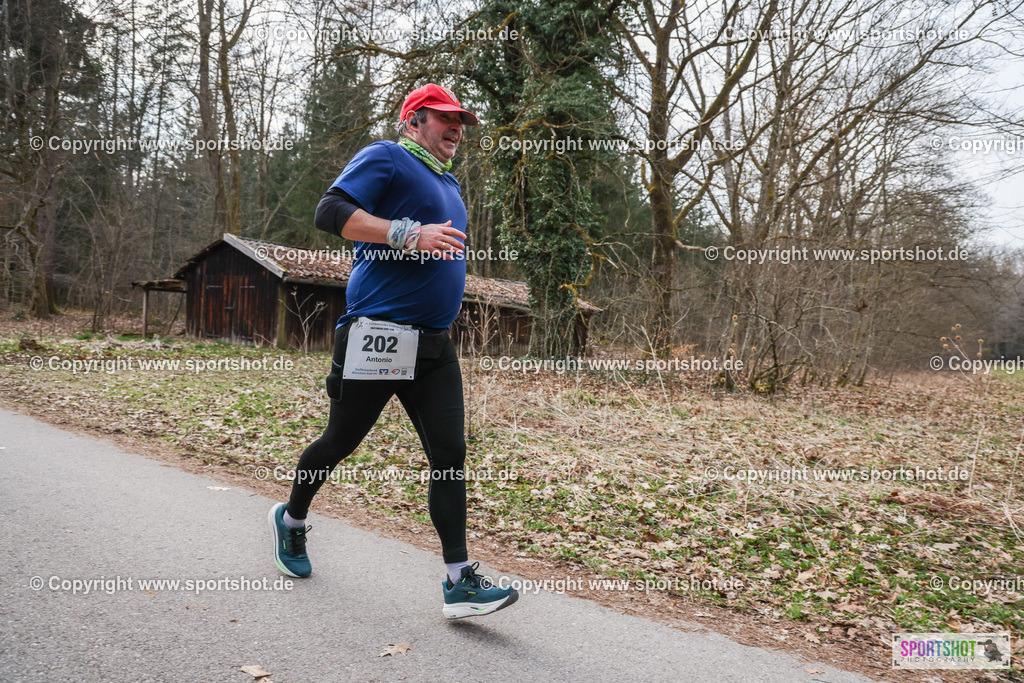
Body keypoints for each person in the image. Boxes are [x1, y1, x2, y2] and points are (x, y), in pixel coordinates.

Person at [268, 83, 518, 619]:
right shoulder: (387, 156)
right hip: (378, 334)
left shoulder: (448, 183)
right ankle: (290, 521)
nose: (456, 129)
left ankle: (459, 583)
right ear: (413, 121)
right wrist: (407, 233)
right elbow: (329, 210)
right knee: (340, 441)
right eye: (444, 119)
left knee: (450, 457)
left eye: (461, 122)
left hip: (434, 345)